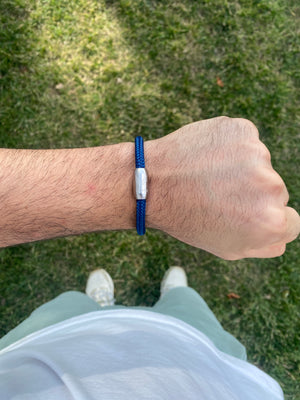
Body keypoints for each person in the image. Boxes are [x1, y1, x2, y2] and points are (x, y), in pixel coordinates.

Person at [0, 116, 299, 399]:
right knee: (187, 304)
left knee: (71, 303)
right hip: (199, 350)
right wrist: (154, 188)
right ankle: (174, 297)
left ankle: (99, 310)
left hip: (49, 338)